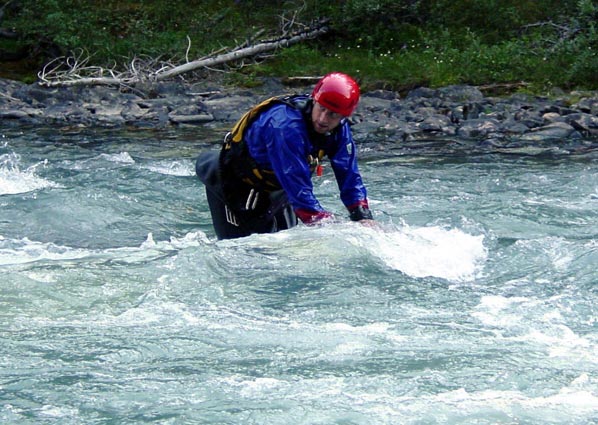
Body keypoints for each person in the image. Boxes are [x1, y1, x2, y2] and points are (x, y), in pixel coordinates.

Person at [195, 72, 373, 239]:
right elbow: (297, 187)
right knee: (242, 254)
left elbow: (349, 175)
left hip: (277, 187)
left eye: (333, 114)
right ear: (314, 100)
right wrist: (328, 225)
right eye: (321, 108)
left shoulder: (340, 129)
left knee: (285, 250)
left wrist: (362, 216)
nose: (323, 119)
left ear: (344, 116)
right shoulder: (285, 127)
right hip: (235, 183)